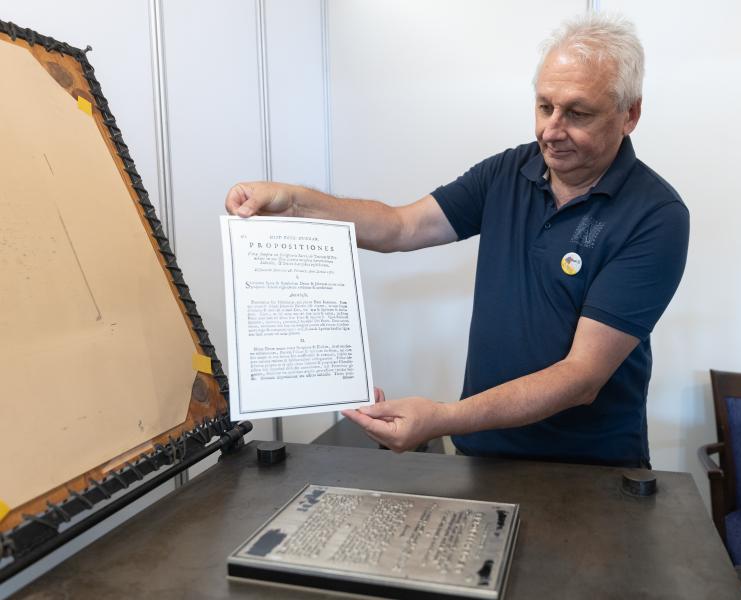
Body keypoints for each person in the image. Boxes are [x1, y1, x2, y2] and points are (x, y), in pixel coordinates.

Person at [225, 13, 689, 468]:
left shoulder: (655, 215)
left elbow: (581, 377)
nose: (551, 131)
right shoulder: (508, 172)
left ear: (629, 114)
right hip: (483, 458)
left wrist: (443, 418)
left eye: (577, 113)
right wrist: (293, 202)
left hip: (589, 473)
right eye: (544, 106)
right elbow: (401, 227)